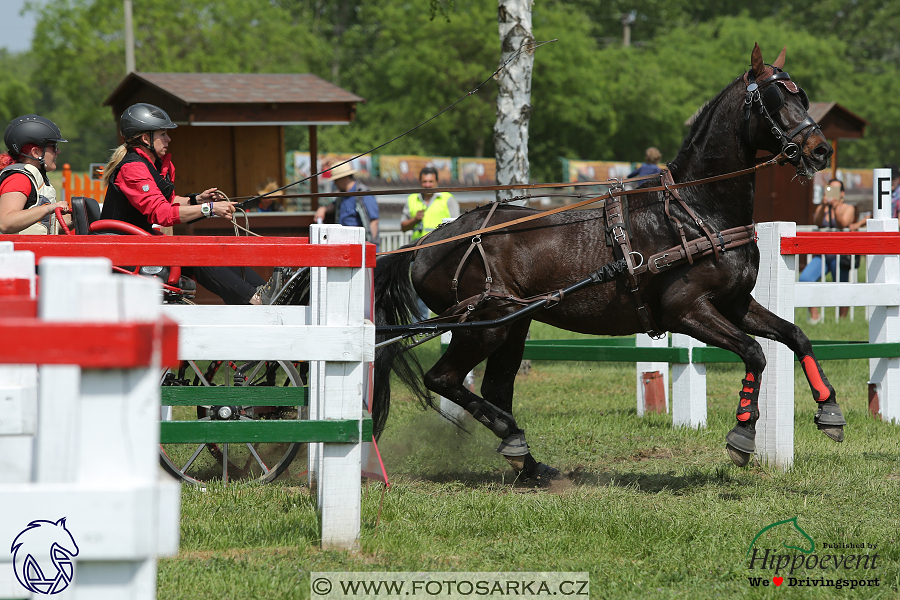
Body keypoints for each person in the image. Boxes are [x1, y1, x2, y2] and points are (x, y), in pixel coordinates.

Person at [100, 102, 277, 305]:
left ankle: (264, 291)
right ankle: (254, 299)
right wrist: (209, 209)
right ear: (145, 138)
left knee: (208, 248)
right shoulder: (133, 168)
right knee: (194, 253)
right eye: (162, 134)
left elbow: (166, 201)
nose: (169, 138)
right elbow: (162, 214)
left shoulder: (148, 165)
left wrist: (197, 200)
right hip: (124, 254)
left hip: (138, 246)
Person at [401, 166, 460, 319]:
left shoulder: (448, 199)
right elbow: (402, 226)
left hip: (442, 252)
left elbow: (459, 226)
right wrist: (415, 220)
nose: (427, 184)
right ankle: (418, 325)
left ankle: (448, 321)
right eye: (424, 181)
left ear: (436, 182)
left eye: (430, 181)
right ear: (420, 182)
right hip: (417, 251)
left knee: (445, 289)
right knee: (416, 289)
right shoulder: (412, 199)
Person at [0, 114, 72, 234]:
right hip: (14, 252)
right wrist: (49, 208)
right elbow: (5, 222)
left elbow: (41, 227)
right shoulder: (19, 178)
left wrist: (77, 216)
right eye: (54, 147)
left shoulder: (34, 177)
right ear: (35, 152)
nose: (58, 151)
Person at [800, 178, 856, 324]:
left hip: (841, 254)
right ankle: (815, 317)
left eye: (836, 190)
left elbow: (843, 223)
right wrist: (823, 206)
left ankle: (843, 322)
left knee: (842, 287)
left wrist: (836, 208)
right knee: (805, 279)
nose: (833, 193)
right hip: (823, 255)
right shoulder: (822, 208)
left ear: (842, 193)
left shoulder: (848, 208)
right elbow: (817, 222)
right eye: (830, 189)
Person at [314, 162, 379, 249]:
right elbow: (334, 205)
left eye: (336, 180)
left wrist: (369, 246)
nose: (335, 183)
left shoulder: (363, 193)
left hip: (360, 245)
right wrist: (323, 209)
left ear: (344, 178)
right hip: (346, 246)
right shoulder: (342, 195)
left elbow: (374, 221)